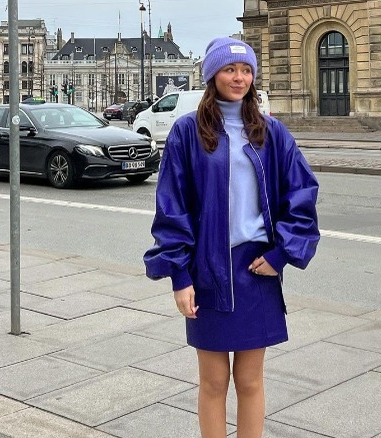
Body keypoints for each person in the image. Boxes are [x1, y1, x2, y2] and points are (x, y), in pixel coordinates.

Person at [144, 37, 319, 437]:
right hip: (207, 268)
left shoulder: (272, 132)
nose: (239, 77)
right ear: (212, 75)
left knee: (251, 381)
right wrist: (180, 277)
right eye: (229, 69)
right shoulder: (187, 132)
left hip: (257, 269)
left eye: (245, 70)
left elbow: (303, 194)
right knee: (213, 382)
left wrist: (281, 254)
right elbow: (172, 206)